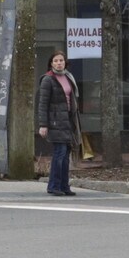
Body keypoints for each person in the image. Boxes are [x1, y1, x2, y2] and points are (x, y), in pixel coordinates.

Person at [35, 50, 82, 197]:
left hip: (68, 120)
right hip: (55, 121)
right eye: (55, 61)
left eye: (61, 60)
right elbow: (42, 104)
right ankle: (54, 186)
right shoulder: (48, 80)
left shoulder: (68, 77)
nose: (59, 63)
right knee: (59, 154)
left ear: (65, 62)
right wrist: (43, 125)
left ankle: (64, 186)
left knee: (66, 154)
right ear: (51, 63)